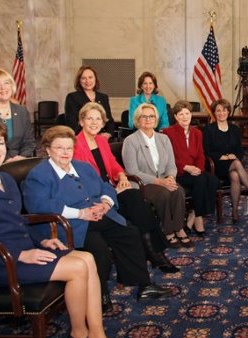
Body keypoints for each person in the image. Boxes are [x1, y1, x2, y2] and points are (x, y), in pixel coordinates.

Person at [0, 118, 129, 338]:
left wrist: (41, 241)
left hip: (22, 250)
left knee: (88, 258)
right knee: (78, 266)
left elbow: (19, 222)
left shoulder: (6, 180)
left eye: (0, 143)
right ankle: (84, 333)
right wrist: (22, 254)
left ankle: (88, 333)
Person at [23, 126, 172, 311]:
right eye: (59, 148)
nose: (65, 152)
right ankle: (99, 295)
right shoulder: (39, 175)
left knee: (129, 232)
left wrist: (106, 204)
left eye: (69, 148)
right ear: (47, 149)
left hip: (98, 215)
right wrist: (80, 213)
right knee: (98, 248)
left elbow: (106, 187)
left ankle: (143, 284)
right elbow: (39, 205)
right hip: (69, 225)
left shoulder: (83, 167)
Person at [72, 102, 178, 273]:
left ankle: (155, 253)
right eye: (89, 118)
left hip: (111, 189)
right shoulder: (75, 145)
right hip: (94, 195)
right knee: (136, 207)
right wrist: (108, 191)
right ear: (81, 121)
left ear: (102, 122)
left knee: (137, 201)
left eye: (98, 119)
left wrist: (121, 175)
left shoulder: (101, 140)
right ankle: (156, 254)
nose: (94, 122)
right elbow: (79, 179)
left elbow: (113, 165)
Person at [122, 104, 193, 247]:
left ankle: (178, 228)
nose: (148, 119)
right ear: (137, 119)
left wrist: (171, 177)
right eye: (144, 116)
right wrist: (159, 182)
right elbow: (132, 171)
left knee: (178, 191)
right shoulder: (131, 141)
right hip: (143, 183)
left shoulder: (163, 139)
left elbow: (171, 165)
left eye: (152, 116)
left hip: (164, 179)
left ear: (156, 119)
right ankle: (168, 232)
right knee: (163, 194)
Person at [202, 98, 248, 224]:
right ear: (214, 113)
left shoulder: (234, 129)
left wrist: (234, 155)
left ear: (228, 112)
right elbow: (206, 151)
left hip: (232, 164)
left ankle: (235, 213)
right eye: (218, 111)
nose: (222, 113)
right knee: (237, 164)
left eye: (225, 110)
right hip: (216, 165)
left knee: (235, 175)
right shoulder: (208, 129)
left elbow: (240, 150)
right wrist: (222, 157)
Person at [163, 101, 219, 235]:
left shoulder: (197, 133)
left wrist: (198, 168)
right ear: (176, 117)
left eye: (187, 113)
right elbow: (168, 158)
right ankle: (198, 218)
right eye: (181, 114)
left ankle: (194, 214)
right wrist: (185, 167)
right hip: (178, 172)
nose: (184, 116)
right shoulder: (167, 133)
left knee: (213, 180)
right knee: (201, 181)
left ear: (191, 114)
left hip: (194, 170)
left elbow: (201, 154)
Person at [65, 65, 116, 135]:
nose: (87, 81)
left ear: (95, 79)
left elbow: (109, 121)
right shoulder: (72, 97)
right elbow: (72, 124)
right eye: (83, 78)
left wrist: (108, 134)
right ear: (79, 81)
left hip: (101, 137)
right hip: (82, 137)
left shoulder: (103, 97)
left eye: (90, 77)